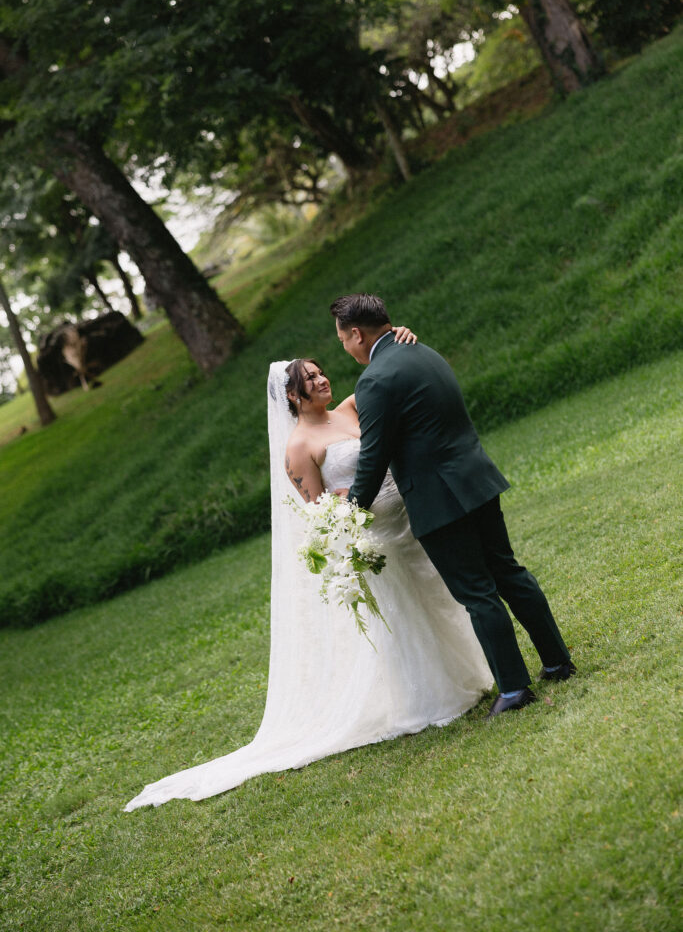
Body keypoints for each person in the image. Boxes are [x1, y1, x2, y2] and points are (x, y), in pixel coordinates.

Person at [124, 328, 491, 810]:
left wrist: (398, 336)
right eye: (310, 378)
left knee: (441, 598)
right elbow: (318, 510)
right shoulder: (298, 447)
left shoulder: (350, 410)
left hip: (412, 518)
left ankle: (470, 673)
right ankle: (432, 698)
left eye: (321, 372)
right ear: (292, 397)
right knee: (406, 614)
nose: (322, 380)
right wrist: (342, 508)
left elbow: (387, 372)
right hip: (377, 538)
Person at [330, 293, 575, 719]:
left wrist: (351, 509)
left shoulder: (374, 380)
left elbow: (373, 457)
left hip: (438, 499)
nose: (346, 350)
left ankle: (515, 690)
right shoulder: (422, 351)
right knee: (509, 572)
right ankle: (557, 662)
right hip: (476, 479)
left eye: (343, 341)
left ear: (356, 334)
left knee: (478, 593)